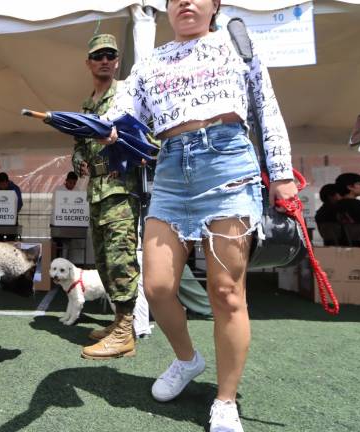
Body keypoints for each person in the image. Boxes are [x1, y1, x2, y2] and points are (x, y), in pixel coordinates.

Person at [102, 1, 298, 430]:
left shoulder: (238, 45)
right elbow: (125, 116)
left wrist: (282, 173)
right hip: (170, 168)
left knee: (226, 291)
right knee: (156, 286)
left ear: (215, 6)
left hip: (229, 162)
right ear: (169, 11)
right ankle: (188, 360)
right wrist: (106, 127)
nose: (185, 3)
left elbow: (268, 108)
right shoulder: (150, 62)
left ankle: (225, 401)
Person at [72, 34, 141, 360]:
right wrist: (79, 161)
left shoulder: (127, 94)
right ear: (88, 63)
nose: (104, 60)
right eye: (97, 55)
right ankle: (117, 323)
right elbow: (78, 146)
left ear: (116, 61)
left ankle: (125, 332)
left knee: (120, 259)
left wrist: (122, 149)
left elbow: (147, 136)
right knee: (103, 261)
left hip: (120, 190)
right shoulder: (87, 105)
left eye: (110, 55)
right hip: (97, 191)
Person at [0, 173, 23, 241]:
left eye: (4, 184)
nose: (2, 187)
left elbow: (19, 203)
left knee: (11, 240)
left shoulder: (15, 189)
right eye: (0, 185)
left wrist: (13, 212)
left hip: (11, 221)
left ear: (7, 182)